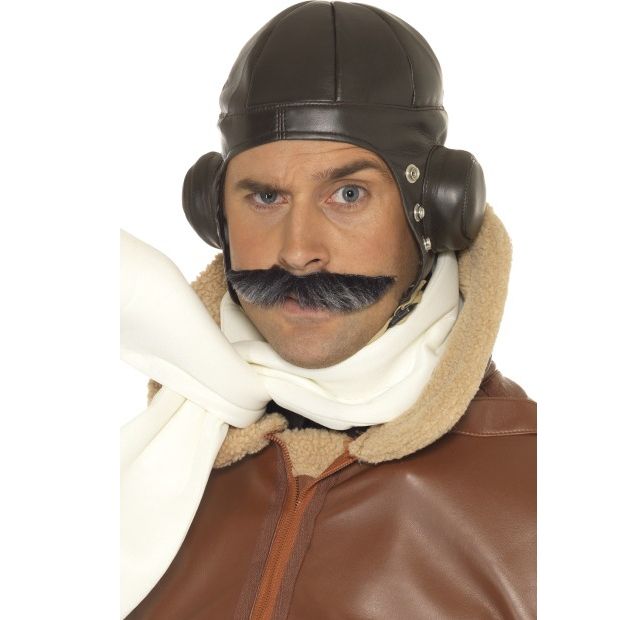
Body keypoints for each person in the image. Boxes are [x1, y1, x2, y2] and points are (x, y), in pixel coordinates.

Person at [120, 1, 536, 618]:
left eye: (348, 194)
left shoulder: (543, 493)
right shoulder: (148, 462)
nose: (297, 252)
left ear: (438, 209)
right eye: (266, 197)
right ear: (215, 215)